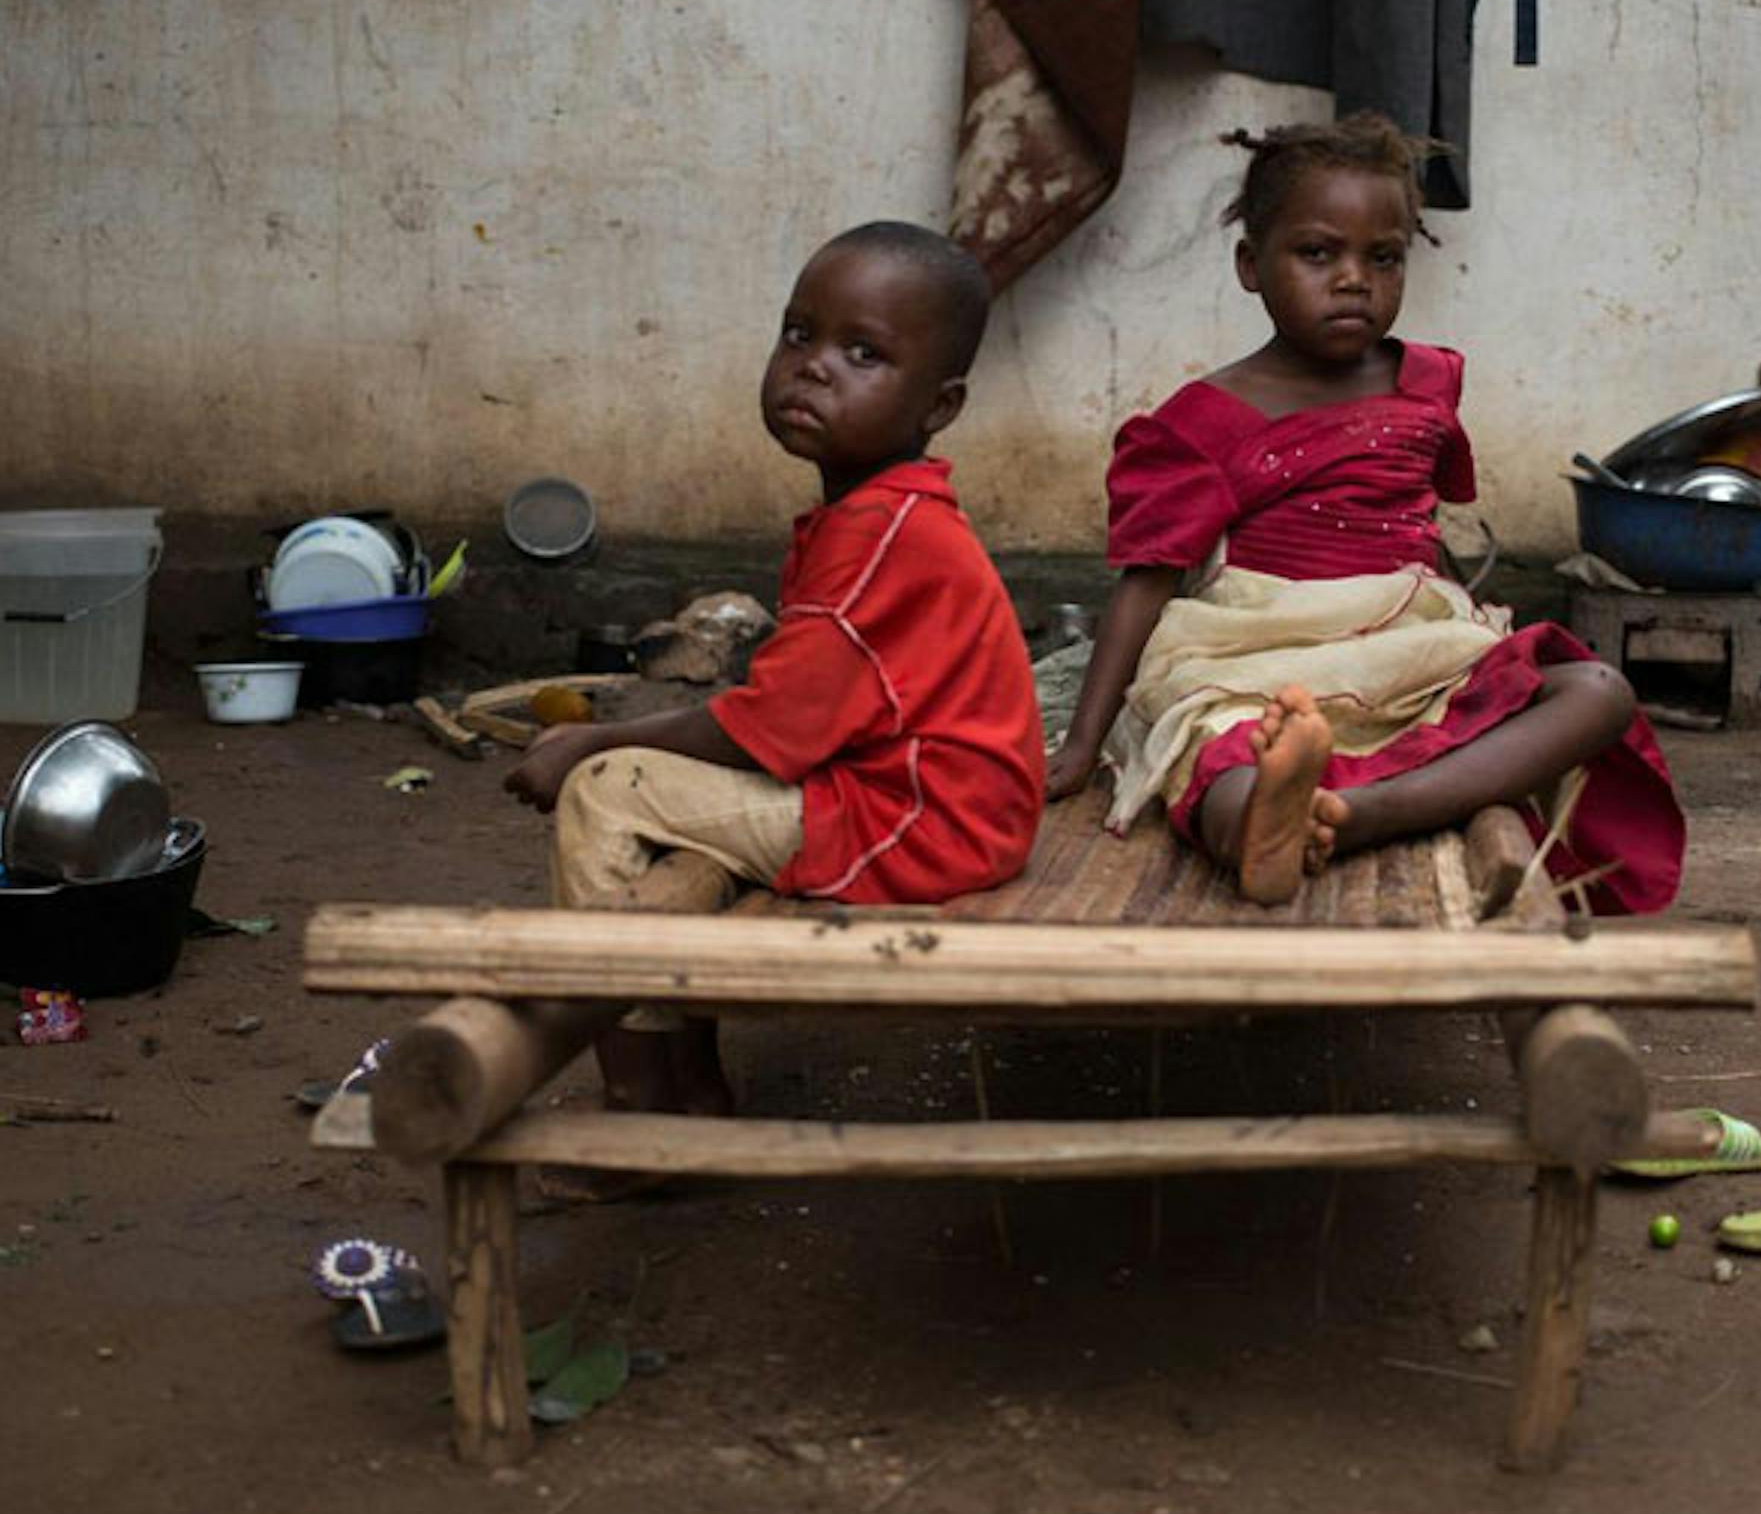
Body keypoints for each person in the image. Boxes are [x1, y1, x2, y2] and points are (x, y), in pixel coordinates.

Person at [1046, 116, 1684, 909]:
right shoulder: (1198, 423)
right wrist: (1082, 743)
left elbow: (1419, 537)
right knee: (1219, 766)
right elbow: (1146, 583)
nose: (1355, 279)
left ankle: (1351, 814)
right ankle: (1266, 814)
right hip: (1256, 658)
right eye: (1318, 253)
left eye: (1382, 258)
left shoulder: (1423, 385)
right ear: (1252, 264)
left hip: (1407, 650)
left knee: (1598, 690)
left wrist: (1475, 639)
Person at [505, 222, 1045, 1117]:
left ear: (939, 405)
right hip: (924, 798)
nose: (814, 366)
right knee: (659, 799)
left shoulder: (882, 533)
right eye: (801, 334)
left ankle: (643, 1094)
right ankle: (691, 1081)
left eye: (863, 353)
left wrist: (594, 737)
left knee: (608, 788)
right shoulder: (877, 512)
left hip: (921, 820)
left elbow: (773, 727)